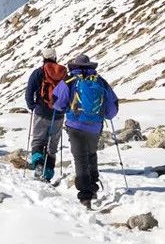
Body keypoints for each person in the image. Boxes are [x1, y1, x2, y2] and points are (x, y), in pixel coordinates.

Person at [52, 54, 119, 208]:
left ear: (75, 66)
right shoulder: (100, 81)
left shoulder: (69, 80)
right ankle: (93, 185)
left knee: (80, 158)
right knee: (91, 154)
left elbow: (57, 102)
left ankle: (85, 195)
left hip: (75, 125)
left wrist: (66, 108)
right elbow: (112, 108)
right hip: (95, 126)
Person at [25, 47, 68, 181]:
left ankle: (38, 165)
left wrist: (33, 106)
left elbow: (29, 92)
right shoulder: (63, 73)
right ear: (55, 57)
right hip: (58, 114)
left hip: (41, 112)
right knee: (52, 145)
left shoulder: (39, 72)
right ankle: (48, 174)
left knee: (38, 141)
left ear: (43, 58)